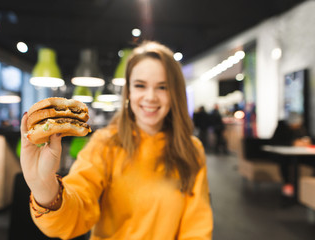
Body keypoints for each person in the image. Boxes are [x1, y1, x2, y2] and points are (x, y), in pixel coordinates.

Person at [20, 41, 213, 240]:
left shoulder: (192, 149)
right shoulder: (106, 143)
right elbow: (78, 209)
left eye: (162, 87)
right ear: (128, 91)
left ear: (175, 93)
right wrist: (46, 190)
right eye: (140, 85)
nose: (150, 97)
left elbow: (197, 228)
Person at [270, 118, 311, 198]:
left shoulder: (302, 128)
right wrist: (292, 143)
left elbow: (308, 139)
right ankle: (288, 185)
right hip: (284, 156)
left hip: (301, 156)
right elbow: (276, 142)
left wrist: (304, 143)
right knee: (284, 161)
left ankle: (304, 188)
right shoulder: (282, 127)